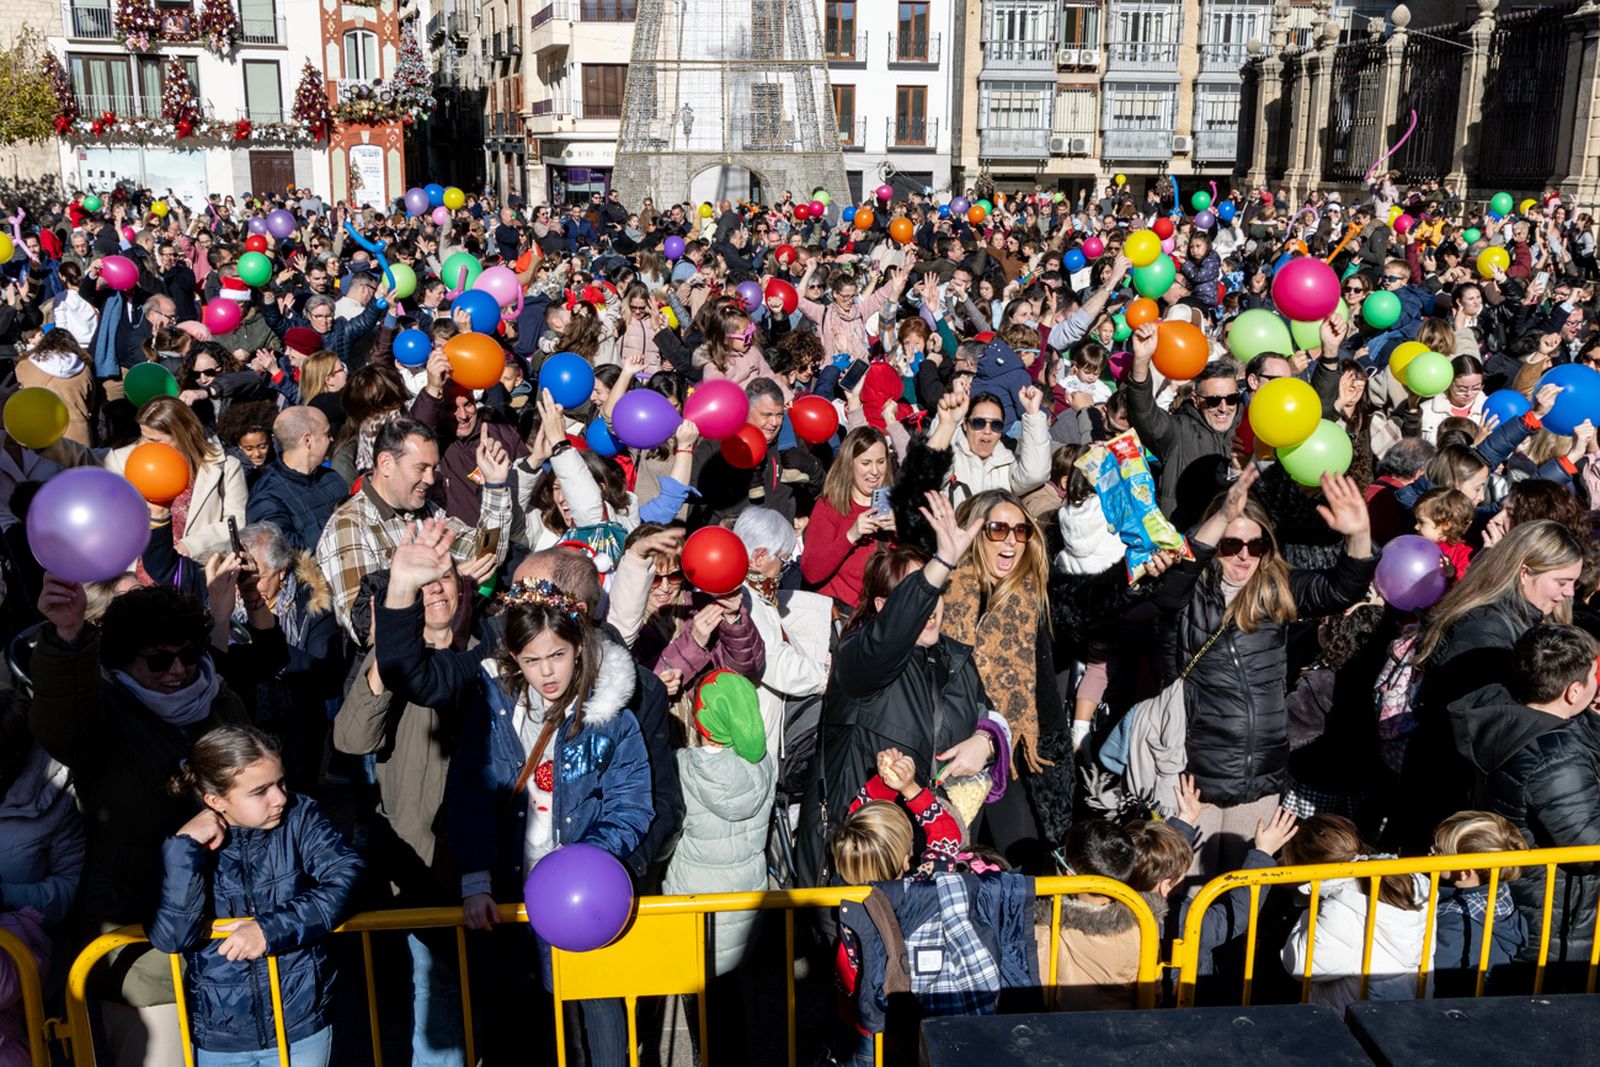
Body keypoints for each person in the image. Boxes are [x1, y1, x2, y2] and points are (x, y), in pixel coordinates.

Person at [29, 577, 280, 1067]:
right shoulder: (103, 714)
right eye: (159, 660)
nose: (179, 670)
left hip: (232, 928)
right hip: (140, 935)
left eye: (187, 653)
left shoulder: (221, 698)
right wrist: (67, 637)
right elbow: (62, 721)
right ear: (122, 661)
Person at [444, 578, 652, 1065]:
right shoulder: (492, 712)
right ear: (514, 659)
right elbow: (469, 797)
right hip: (512, 899)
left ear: (579, 647)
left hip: (588, 900)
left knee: (602, 1024)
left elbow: (632, 804)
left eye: (556, 655)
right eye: (532, 660)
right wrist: (476, 880)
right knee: (529, 1027)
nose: (547, 672)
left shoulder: (613, 717)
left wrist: (586, 862)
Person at [1165, 466, 1377, 875]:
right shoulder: (1190, 591)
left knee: (1246, 890)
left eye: (1255, 545)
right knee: (1184, 889)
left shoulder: (1276, 585)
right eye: (1231, 544)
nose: (1244, 555)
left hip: (1260, 774)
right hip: (1196, 776)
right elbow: (1173, 580)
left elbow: (1339, 590)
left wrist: (1359, 536)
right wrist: (1221, 517)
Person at [796, 492, 1009, 886]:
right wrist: (941, 562)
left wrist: (988, 741)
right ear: (883, 607)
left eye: (934, 593)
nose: (930, 606)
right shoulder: (859, 656)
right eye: (914, 595)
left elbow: (989, 716)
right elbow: (891, 634)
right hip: (863, 856)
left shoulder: (957, 658)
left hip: (933, 856)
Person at [150, 726, 362, 1067]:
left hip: (300, 1022)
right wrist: (183, 851)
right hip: (220, 1033)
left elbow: (347, 875)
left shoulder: (300, 816)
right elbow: (173, 936)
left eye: (280, 782)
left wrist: (270, 929)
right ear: (215, 800)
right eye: (260, 791)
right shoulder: (181, 838)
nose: (279, 797)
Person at [1451, 624, 1600, 970]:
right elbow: (1587, 845)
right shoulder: (1554, 755)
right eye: (1595, 674)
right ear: (1573, 691)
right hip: (1552, 915)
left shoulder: (1514, 720)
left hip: (1531, 898)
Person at [315, 416, 510, 637]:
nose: (430, 478)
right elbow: (366, 627)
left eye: (434, 468)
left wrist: (495, 485)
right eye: (421, 468)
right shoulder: (348, 528)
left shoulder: (427, 511)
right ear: (386, 463)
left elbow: (486, 556)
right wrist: (449, 579)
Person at [1279, 815, 1428, 1010]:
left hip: (1349, 1019)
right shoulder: (1411, 880)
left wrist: (1311, 910)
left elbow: (1301, 965)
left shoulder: (1340, 907)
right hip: (1404, 1006)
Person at [1124, 324, 1242, 525]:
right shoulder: (1177, 431)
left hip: (1237, 546)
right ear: (1196, 399)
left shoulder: (1247, 430)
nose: (1224, 408)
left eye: (1231, 399)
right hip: (1187, 544)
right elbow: (1143, 413)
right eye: (1213, 400)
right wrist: (1142, 360)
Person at [1431, 810, 1529, 994]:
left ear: (1465, 872)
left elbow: (1434, 970)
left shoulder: (1456, 920)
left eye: (1439, 851)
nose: (1431, 851)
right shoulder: (1499, 896)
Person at [799, 427, 897, 609]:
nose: (875, 471)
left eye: (881, 462)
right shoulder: (830, 506)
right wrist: (850, 535)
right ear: (849, 464)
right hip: (843, 616)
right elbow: (811, 572)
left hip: (886, 615)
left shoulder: (897, 503)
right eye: (866, 463)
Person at [246, 406, 344, 552]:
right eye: (326, 433)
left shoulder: (332, 477)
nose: (331, 439)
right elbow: (281, 551)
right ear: (307, 440)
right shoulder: (267, 496)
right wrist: (341, 523)